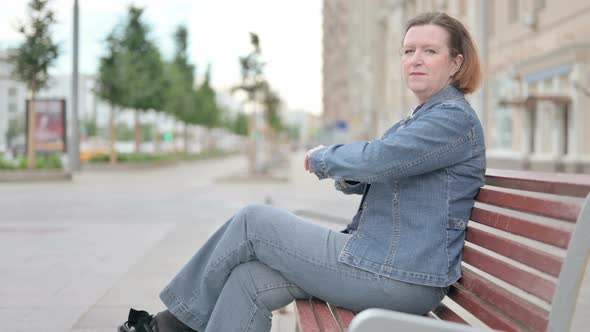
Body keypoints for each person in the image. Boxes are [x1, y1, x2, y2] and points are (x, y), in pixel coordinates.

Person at [118, 11, 486, 332]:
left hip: (399, 277)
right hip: (385, 263)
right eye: (408, 51)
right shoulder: (426, 119)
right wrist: (353, 170)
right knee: (248, 279)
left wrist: (326, 158)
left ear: (455, 63)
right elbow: (383, 167)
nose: (415, 60)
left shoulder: (451, 119)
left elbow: (380, 158)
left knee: (253, 222)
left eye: (430, 51)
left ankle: (172, 324)